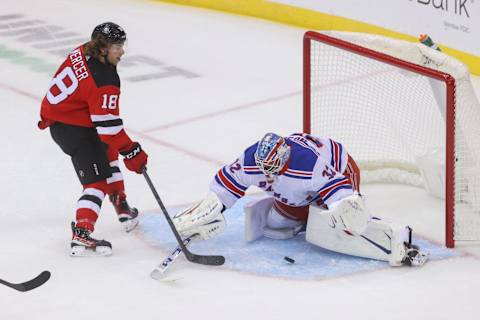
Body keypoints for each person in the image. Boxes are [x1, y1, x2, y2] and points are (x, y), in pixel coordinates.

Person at [172, 132, 429, 267]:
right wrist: (210, 210)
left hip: (339, 168)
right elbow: (226, 185)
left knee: (343, 223)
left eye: (272, 167)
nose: (267, 174)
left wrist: (344, 208)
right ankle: (304, 218)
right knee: (275, 225)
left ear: (284, 156)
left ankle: (394, 245)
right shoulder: (251, 160)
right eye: (264, 168)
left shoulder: (307, 165)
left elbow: (337, 185)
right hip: (300, 187)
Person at [38, 22, 148, 257]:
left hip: (69, 116)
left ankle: (121, 206)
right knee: (96, 182)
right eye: (117, 46)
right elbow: (108, 128)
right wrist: (132, 151)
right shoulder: (104, 80)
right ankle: (82, 233)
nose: (122, 52)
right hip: (72, 128)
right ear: (102, 47)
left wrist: (122, 149)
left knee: (109, 152)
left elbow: (106, 129)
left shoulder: (84, 49)